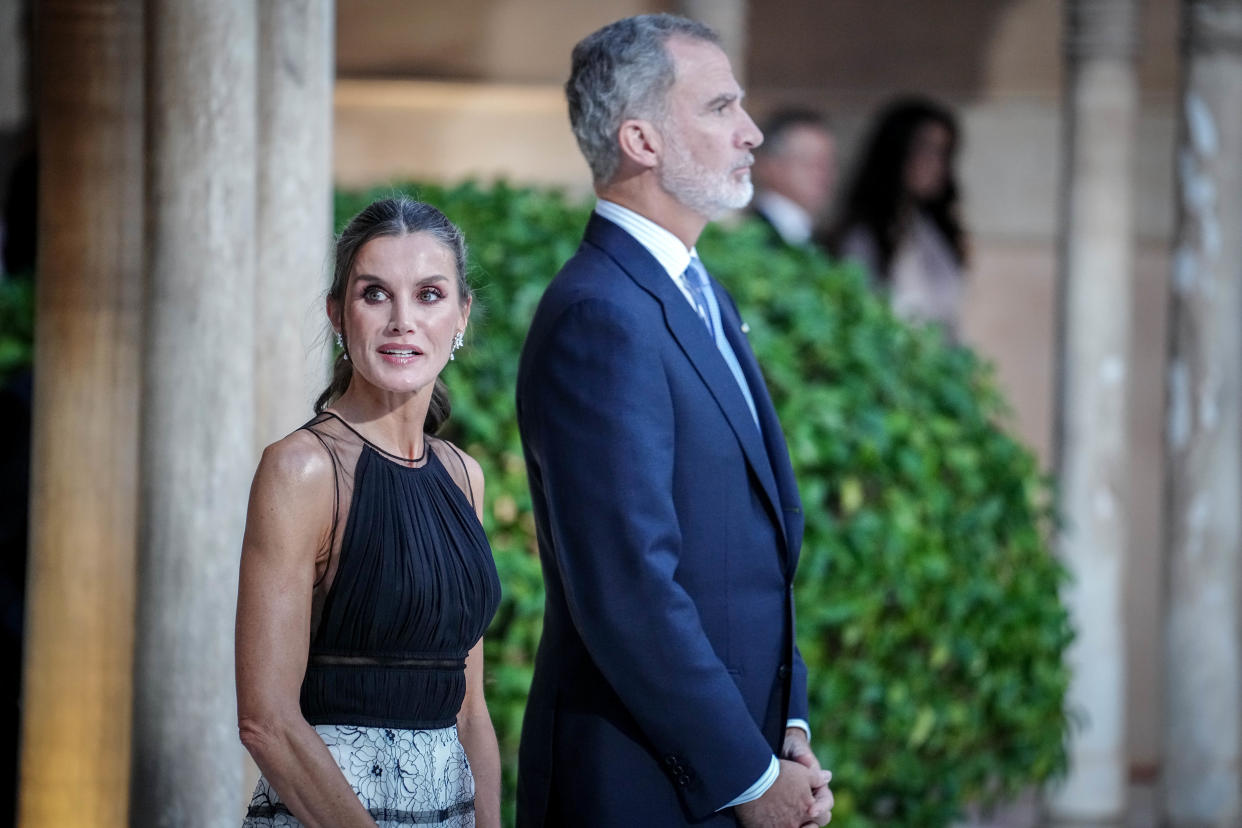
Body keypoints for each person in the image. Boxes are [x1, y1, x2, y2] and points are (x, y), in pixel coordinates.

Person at [515, 14, 832, 828]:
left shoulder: (698, 290)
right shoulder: (600, 314)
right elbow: (630, 587)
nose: (751, 133)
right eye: (721, 108)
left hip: (732, 762)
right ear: (642, 140)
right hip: (636, 784)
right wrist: (748, 779)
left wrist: (786, 729)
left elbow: (753, 553)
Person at [235, 197, 502, 828]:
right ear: (337, 312)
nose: (402, 321)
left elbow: (470, 709)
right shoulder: (302, 469)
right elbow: (266, 720)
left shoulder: (465, 477)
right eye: (375, 294)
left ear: (462, 314)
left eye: (430, 294)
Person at [825, 95, 967, 339]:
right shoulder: (864, 234)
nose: (934, 164)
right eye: (925, 150)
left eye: (943, 152)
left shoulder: (933, 229)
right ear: (898, 151)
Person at [749, 108, 837, 248]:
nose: (823, 173)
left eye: (827, 163)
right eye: (810, 162)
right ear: (770, 165)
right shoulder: (748, 233)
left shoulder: (822, 238)